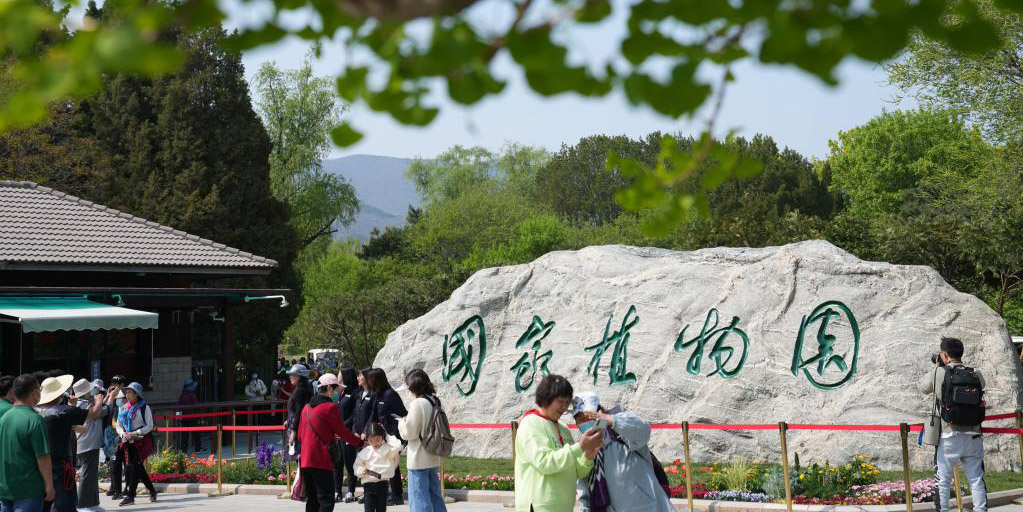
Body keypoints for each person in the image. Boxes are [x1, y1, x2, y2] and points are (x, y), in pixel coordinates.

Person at [571, 392, 673, 512]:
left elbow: (643, 431)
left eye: (590, 416)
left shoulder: (621, 431)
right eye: (581, 419)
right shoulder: (584, 448)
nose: (586, 422)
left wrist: (610, 419)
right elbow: (584, 490)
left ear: (600, 413)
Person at [919, 337, 988, 512]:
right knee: (976, 479)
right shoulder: (975, 373)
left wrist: (937, 368)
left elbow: (921, 386)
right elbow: (983, 386)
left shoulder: (939, 373)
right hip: (974, 436)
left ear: (944, 355)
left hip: (949, 435)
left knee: (943, 481)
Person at [514, 374, 602, 512]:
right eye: (561, 401)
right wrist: (579, 447)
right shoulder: (531, 423)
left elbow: (577, 471)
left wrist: (588, 456)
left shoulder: (563, 428)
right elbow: (544, 463)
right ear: (546, 398)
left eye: (567, 403)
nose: (564, 407)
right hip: (540, 507)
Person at [296, 373, 364, 512]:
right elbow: (343, 431)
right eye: (336, 389)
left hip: (306, 460)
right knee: (326, 500)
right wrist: (360, 443)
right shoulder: (330, 407)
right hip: (322, 459)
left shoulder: (306, 408)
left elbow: (300, 436)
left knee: (313, 500)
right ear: (328, 388)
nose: (337, 393)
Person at [36, 375, 104, 512]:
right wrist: (99, 401)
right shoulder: (64, 411)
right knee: (64, 504)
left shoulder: (35, 412)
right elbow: (95, 413)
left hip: (40, 465)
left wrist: (72, 406)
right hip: (61, 466)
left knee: (45, 505)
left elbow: (80, 428)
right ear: (59, 394)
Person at [0, 374, 54, 512]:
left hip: (5, 488)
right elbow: (42, 457)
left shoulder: (4, 418)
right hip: (29, 490)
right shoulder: (35, 419)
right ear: (35, 393)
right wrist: (49, 485)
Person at [397, 369, 447, 512]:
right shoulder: (435, 400)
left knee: (419, 498)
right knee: (435, 496)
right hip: (433, 453)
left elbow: (409, 433)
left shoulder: (417, 403)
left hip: (419, 456)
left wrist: (401, 422)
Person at [72, 380, 117, 512]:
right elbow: (100, 412)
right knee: (87, 475)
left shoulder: (83, 403)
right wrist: (112, 398)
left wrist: (108, 396)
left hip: (89, 443)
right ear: (85, 392)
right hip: (87, 444)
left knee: (92, 475)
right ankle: (82, 505)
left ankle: (92, 503)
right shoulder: (82, 405)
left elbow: (99, 407)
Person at [366, 369, 407, 506]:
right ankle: (393, 493)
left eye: (370, 379)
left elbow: (403, 414)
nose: (368, 382)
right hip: (385, 436)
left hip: (394, 436)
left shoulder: (390, 394)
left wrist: (393, 427)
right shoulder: (378, 395)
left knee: (392, 464)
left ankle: (397, 496)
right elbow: (375, 415)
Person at [115, 382, 157, 506]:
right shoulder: (123, 408)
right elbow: (118, 425)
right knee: (137, 467)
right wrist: (123, 434)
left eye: (129, 392)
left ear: (136, 394)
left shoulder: (144, 407)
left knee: (134, 466)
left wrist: (135, 432)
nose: (126, 395)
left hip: (141, 441)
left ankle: (130, 496)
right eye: (126, 392)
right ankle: (152, 491)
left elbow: (150, 425)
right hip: (128, 441)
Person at [355, 423, 401, 512]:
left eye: (377, 440)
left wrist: (387, 435)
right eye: (371, 441)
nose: (374, 443)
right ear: (367, 439)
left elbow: (398, 446)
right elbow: (357, 465)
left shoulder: (388, 449)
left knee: (381, 509)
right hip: (368, 484)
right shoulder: (366, 451)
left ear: (382, 437)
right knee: (369, 509)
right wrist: (361, 471)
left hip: (382, 484)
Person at [334, 367, 360, 503]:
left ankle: (351, 491)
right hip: (338, 434)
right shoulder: (342, 392)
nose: (337, 377)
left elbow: (354, 414)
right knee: (337, 464)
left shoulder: (355, 393)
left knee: (350, 464)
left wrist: (343, 427)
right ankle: (337, 491)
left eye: (339, 375)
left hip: (347, 433)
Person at [105, 377, 126, 500]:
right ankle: (115, 489)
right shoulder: (111, 401)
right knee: (113, 465)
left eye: (117, 384)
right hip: (112, 438)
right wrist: (109, 396)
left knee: (127, 465)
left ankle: (126, 489)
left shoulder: (126, 402)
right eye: (113, 383)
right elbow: (103, 410)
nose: (115, 386)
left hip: (124, 438)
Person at [286, 364, 314, 459]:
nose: (290, 376)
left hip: (299, 428)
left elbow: (299, 412)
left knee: (300, 456)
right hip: (303, 426)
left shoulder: (300, 391)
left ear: (299, 376)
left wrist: (294, 431)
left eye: (293, 374)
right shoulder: (305, 388)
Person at [177, 379, 201, 453]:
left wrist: (178, 417)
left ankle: (184, 450)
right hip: (192, 417)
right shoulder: (192, 395)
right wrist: (199, 414)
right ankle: (198, 448)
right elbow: (196, 405)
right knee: (196, 433)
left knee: (184, 435)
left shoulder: (182, 395)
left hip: (184, 418)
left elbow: (178, 407)